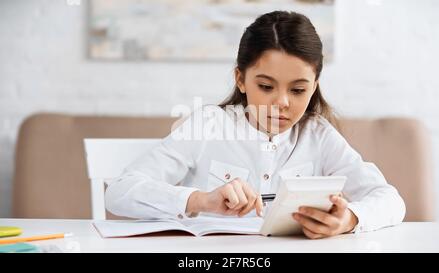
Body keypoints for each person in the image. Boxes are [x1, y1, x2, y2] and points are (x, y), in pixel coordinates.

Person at [105, 11, 405, 239]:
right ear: (241, 80)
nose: (282, 103)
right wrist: (200, 200)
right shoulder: (209, 125)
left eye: (298, 90)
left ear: (314, 87)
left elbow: (390, 200)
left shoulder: (319, 136)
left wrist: (349, 218)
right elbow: (119, 193)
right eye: (266, 86)